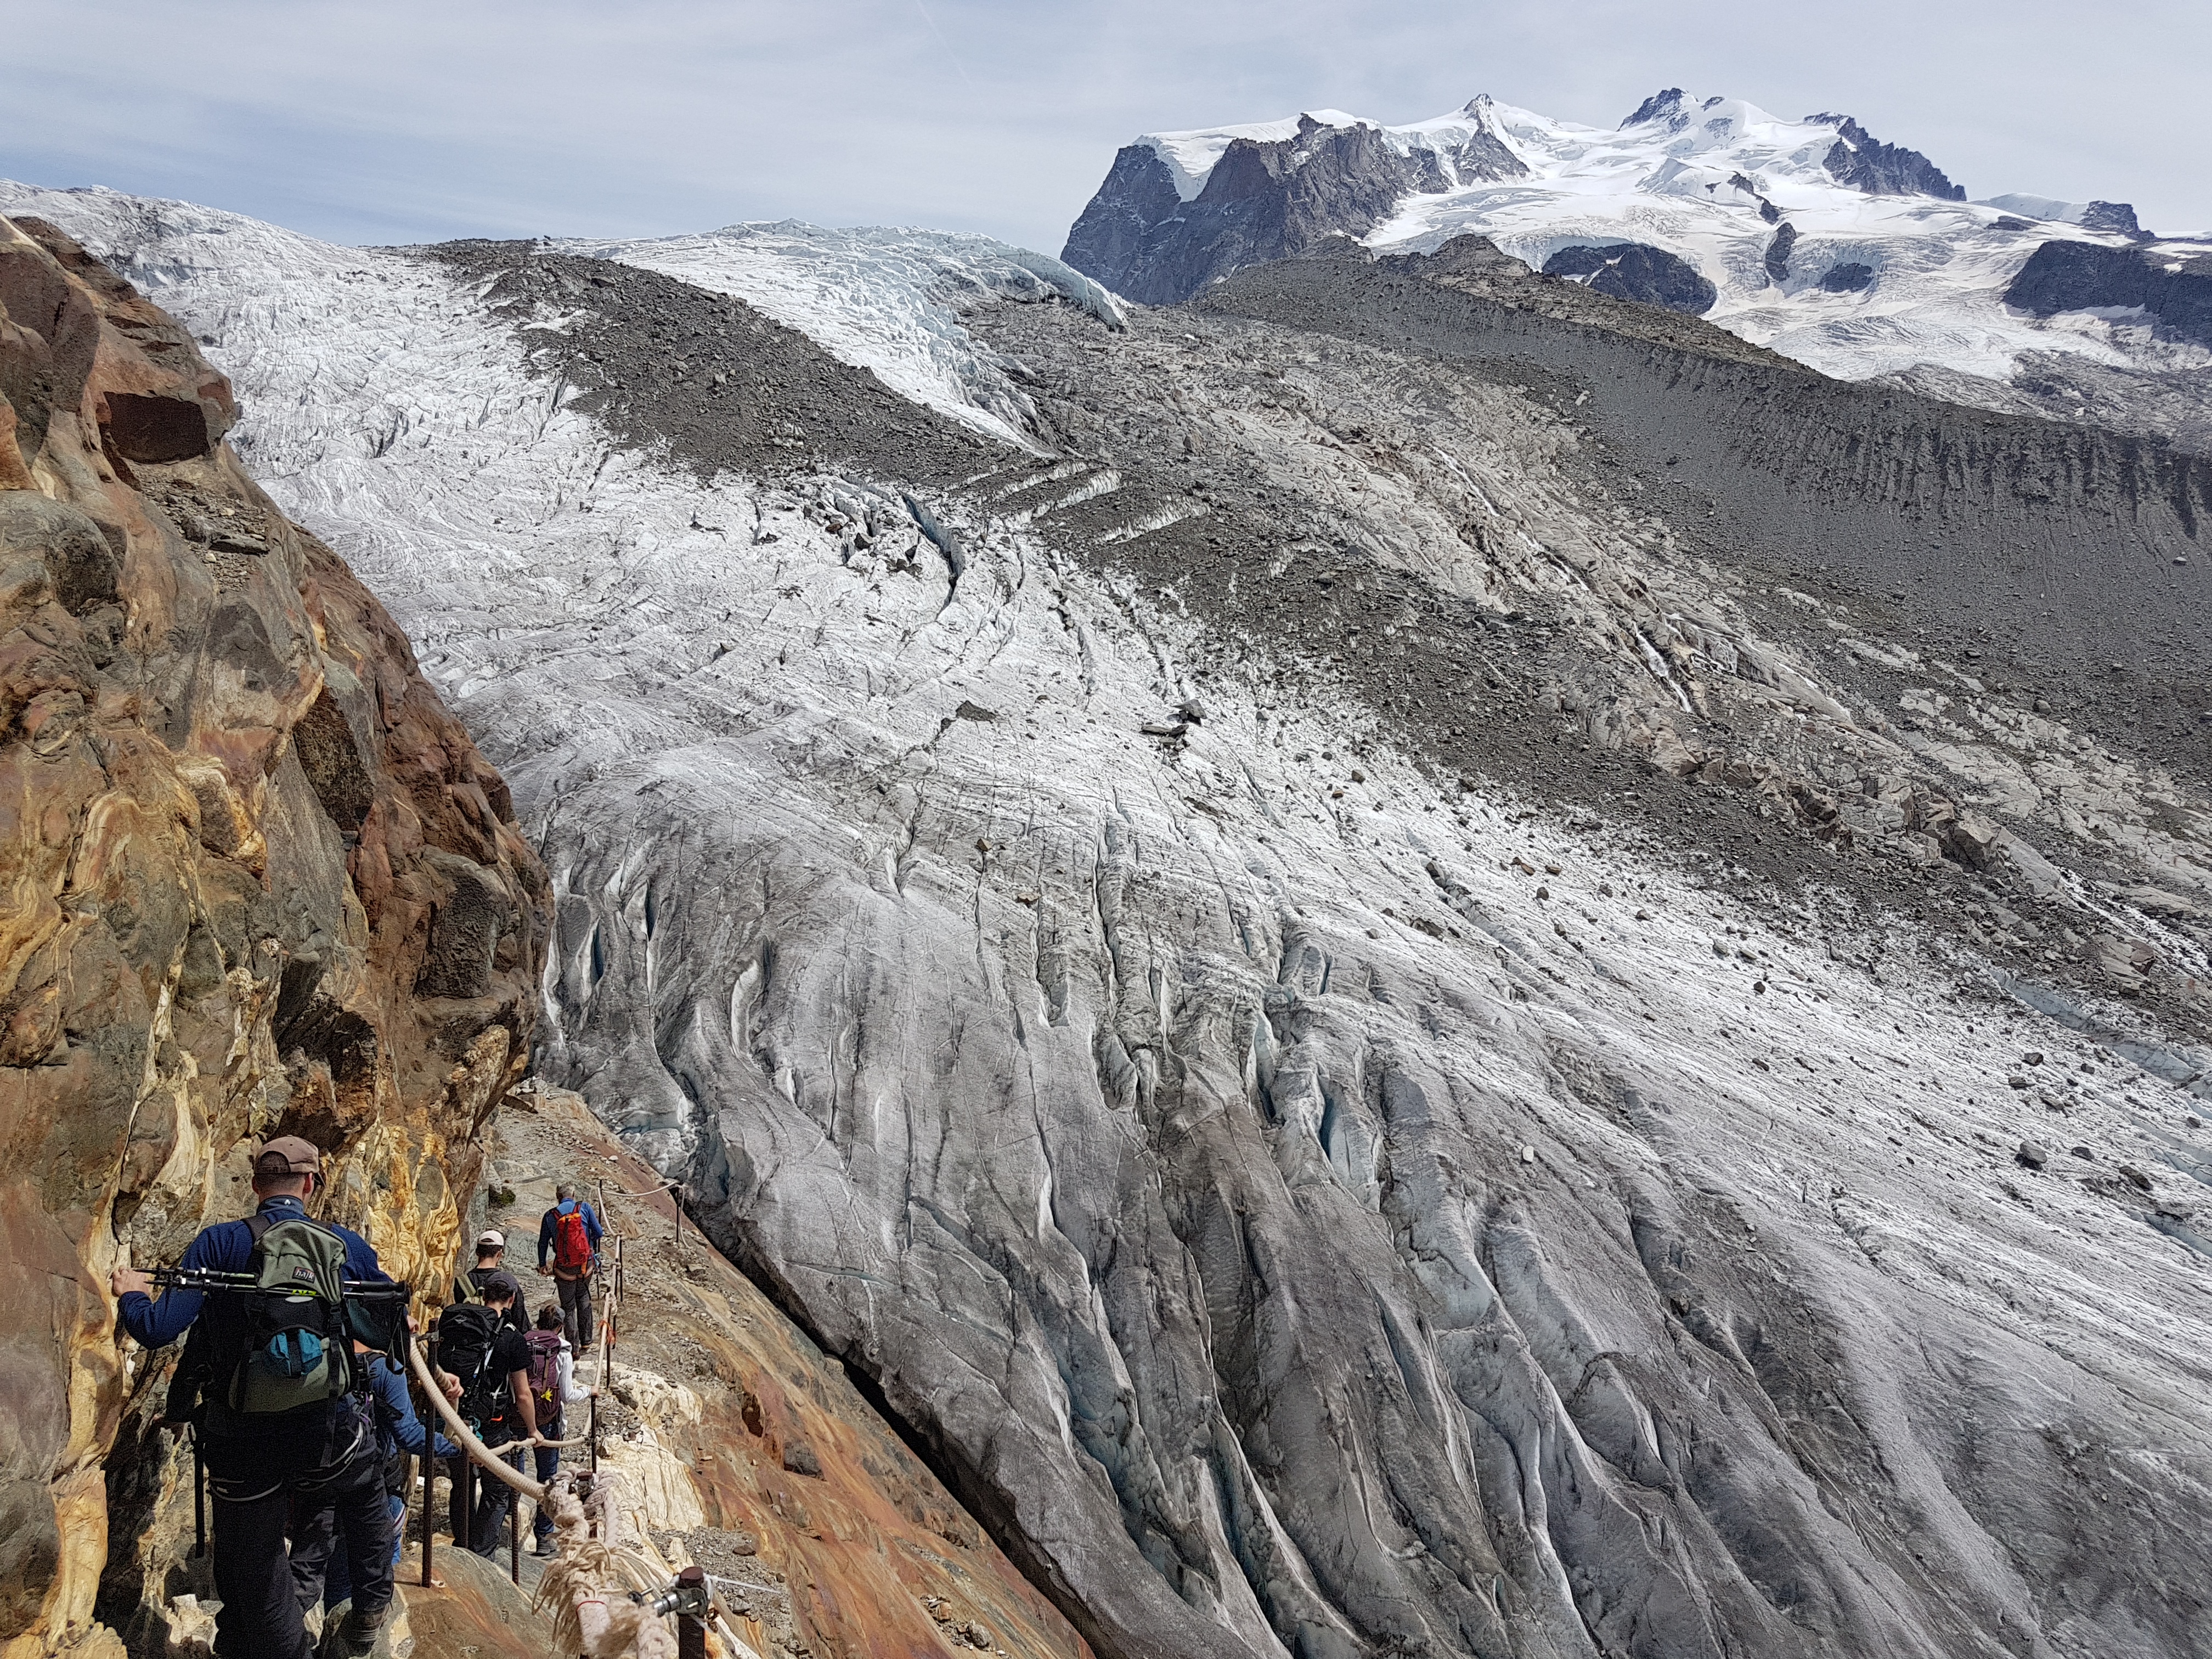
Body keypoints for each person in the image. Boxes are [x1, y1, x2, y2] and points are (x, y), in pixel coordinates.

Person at [111, 1136, 397, 1659]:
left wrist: (131, 1289)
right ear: (311, 1184)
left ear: (254, 1185)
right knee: (367, 1486)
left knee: (257, 1561)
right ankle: (368, 1616)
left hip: (242, 1437)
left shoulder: (218, 1244)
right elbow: (382, 1329)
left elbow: (157, 1328)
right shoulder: (343, 1246)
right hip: (327, 1434)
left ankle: (262, 1645)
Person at [292, 1336, 459, 1613]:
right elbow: (410, 1436)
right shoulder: (384, 1368)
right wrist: (459, 1447)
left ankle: (333, 1639)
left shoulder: (320, 1359)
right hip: (375, 1485)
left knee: (337, 1576)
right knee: (380, 1573)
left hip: (322, 1483)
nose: (414, 1325)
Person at [432, 1269, 541, 1558]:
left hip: (454, 1420)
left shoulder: (460, 1325)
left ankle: (463, 1544)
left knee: (462, 1484)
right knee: (497, 1489)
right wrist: (533, 1430)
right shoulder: (512, 1337)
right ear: (512, 1299)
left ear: (483, 1296)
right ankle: (482, 1553)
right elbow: (522, 1394)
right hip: (491, 1426)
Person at [523, 1302, 594, 1555]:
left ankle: (507, 1525)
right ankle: (543, 1537)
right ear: (561, 1326)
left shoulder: (523, 1342)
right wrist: (590, 1391)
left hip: (520, 1416)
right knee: (549, 1479)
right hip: (549, 1421)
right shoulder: (561, 1351)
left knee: (516, 1474)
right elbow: (566, 1394)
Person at [536, 1184, 603, 1351]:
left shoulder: (550, 1216)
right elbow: (600, 1232)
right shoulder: (584, 1208)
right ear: (573, 1194)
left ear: (557, 1196)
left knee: (568, 1307)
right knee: (583, 1299)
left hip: (564, 1269)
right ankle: (587, 1341)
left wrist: (543, 1264)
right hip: (584, 1265)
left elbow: (543, 1243)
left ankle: (573, 1349)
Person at [455, 1229, 528, 1336]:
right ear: (499, 1254)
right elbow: (521, 1322)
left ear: (477, 1252)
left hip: (470, 1340)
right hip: (499, 1340)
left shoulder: (461, 1283)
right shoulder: (507, 1282)